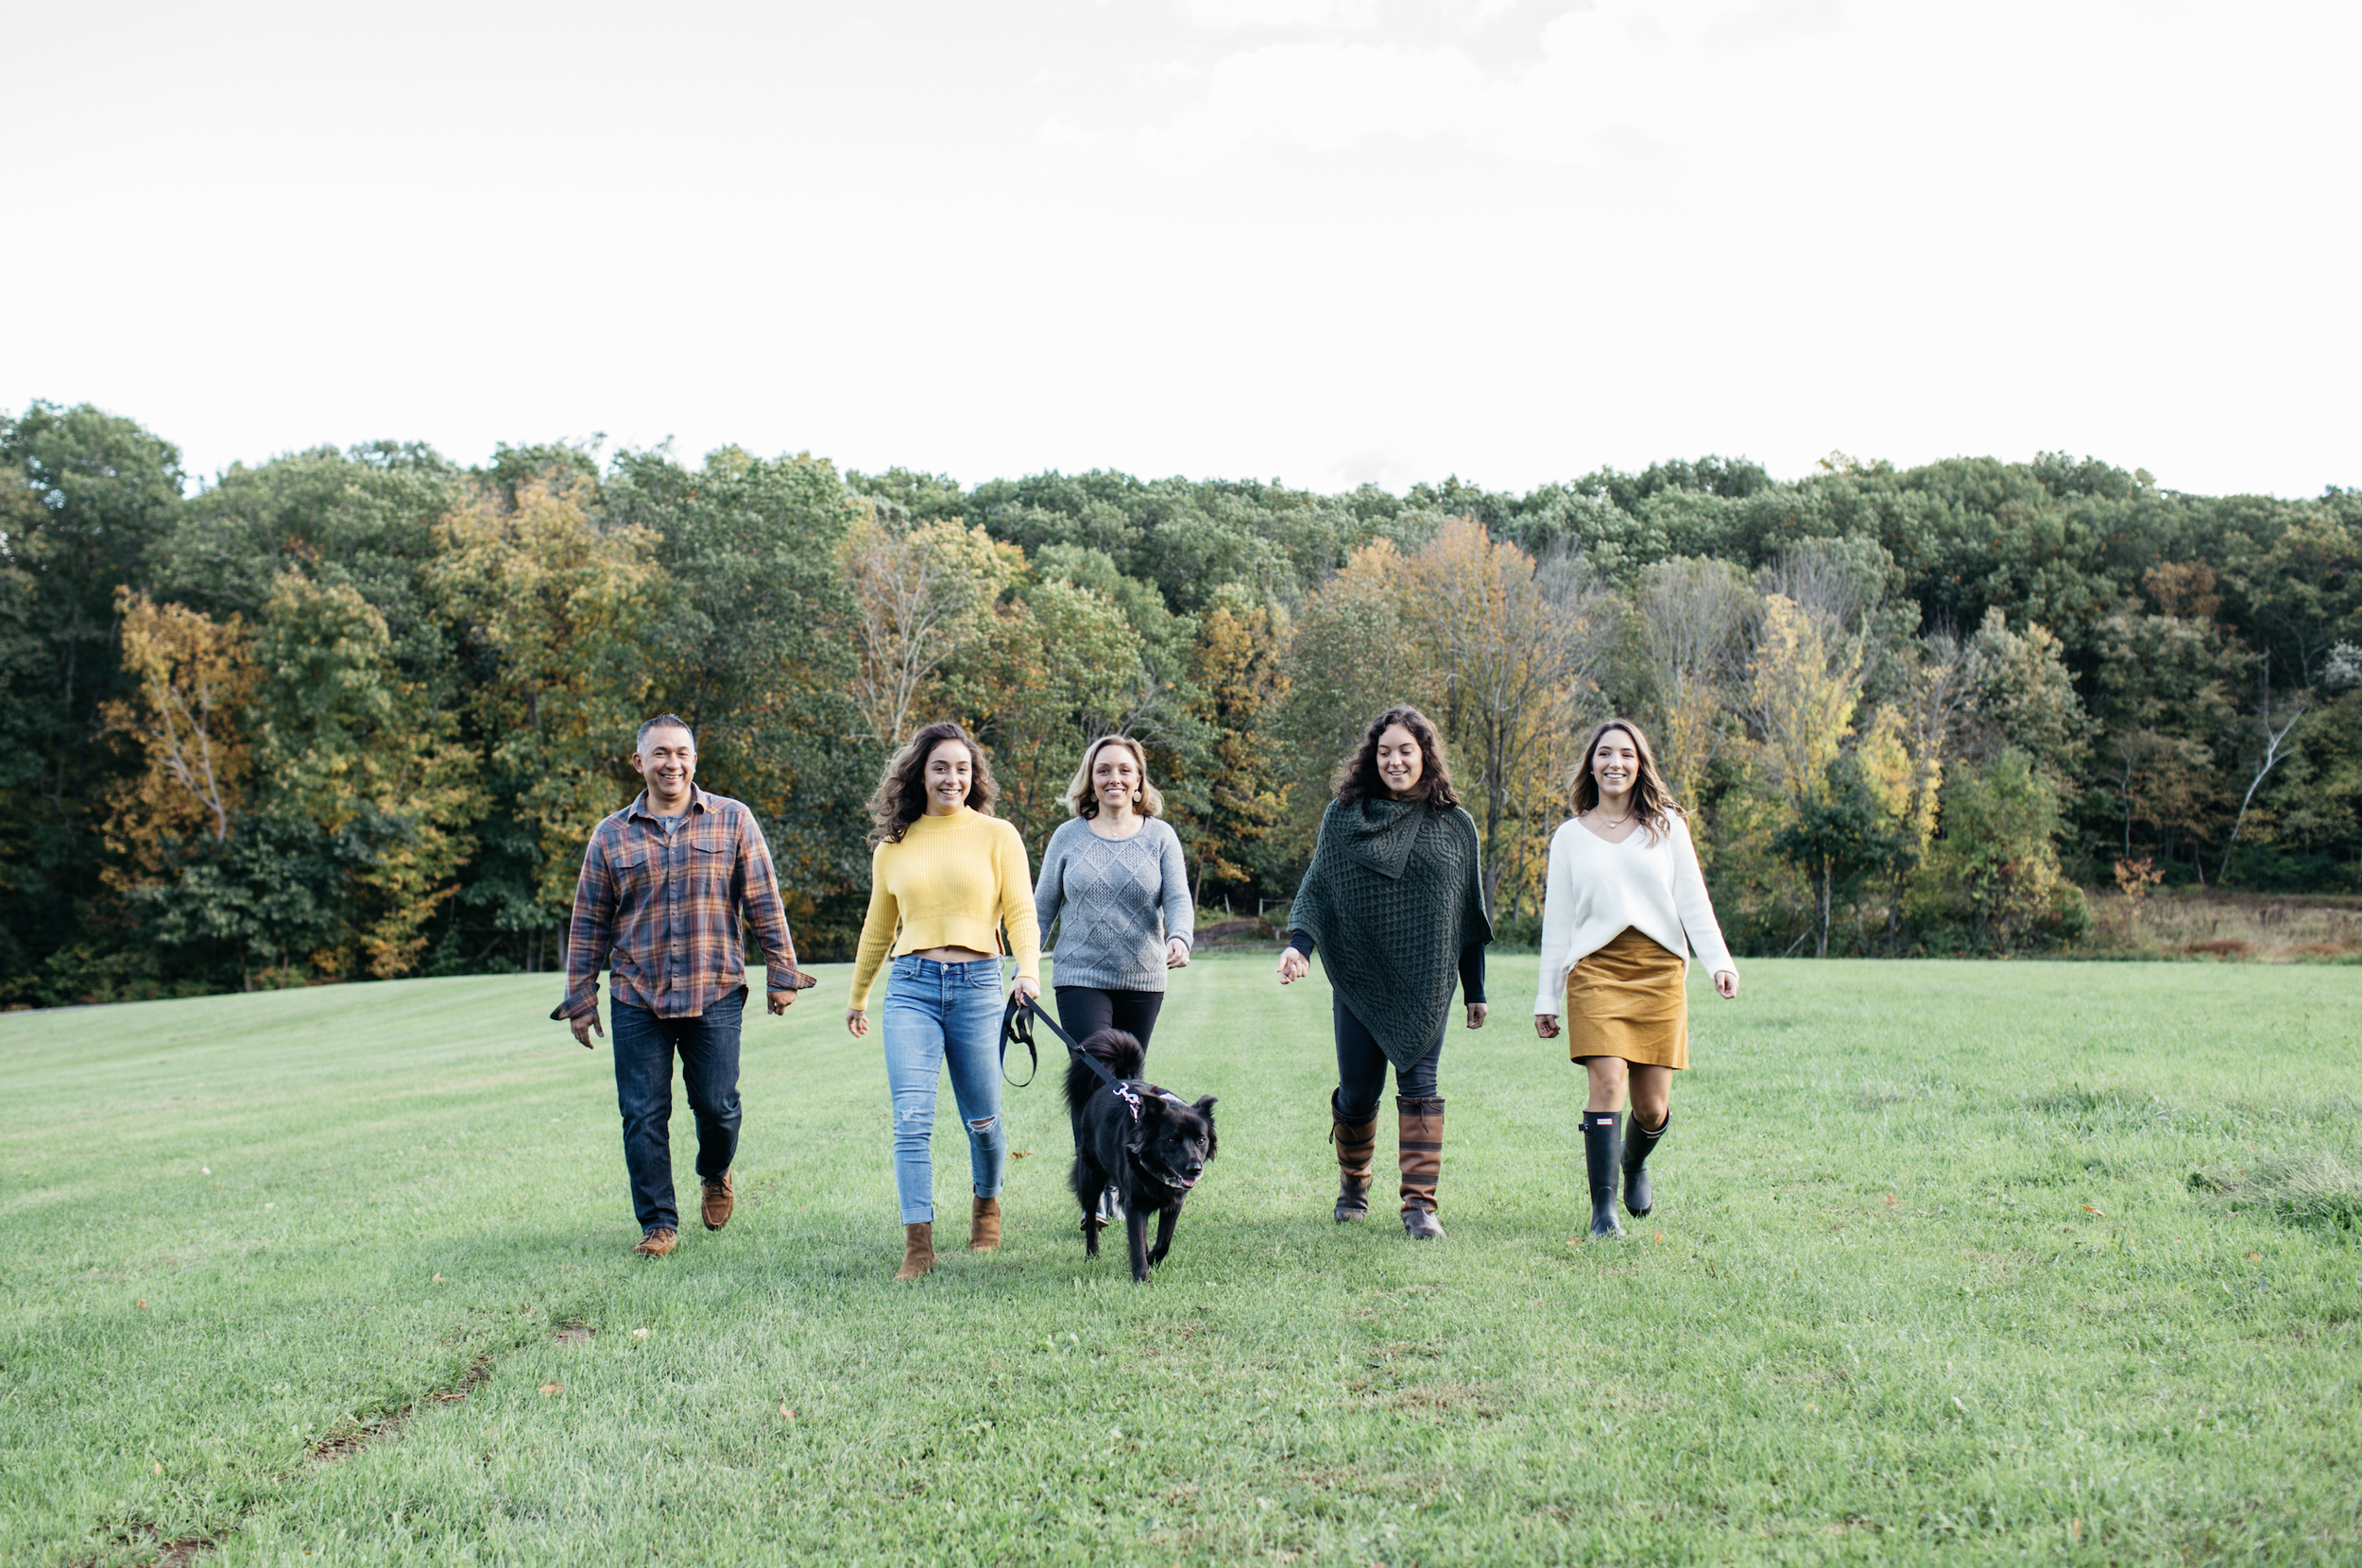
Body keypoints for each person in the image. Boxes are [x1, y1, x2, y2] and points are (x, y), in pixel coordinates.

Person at [552, 713, 806, 1259]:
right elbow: (589, 921)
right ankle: (659, 1223)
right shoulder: (610, 835)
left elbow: (763, 900)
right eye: (660, 754)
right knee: (642, 1112)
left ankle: (715, 1172)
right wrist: (581, 997)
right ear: (639, 762)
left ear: (695, 759)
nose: (673, 763)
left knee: (718, 1107)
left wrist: (781, 973)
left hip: (713, 989)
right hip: (635, 994)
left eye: (682, 753)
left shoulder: (732, 819)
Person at [1278, 705, 1491, 1239]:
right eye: (1385, 752)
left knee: (1421, 1086)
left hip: (1425, 982)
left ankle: (1420, 1207)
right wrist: (1300, 948)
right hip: (1360, 977)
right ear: (1372, 759)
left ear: (1425, 756)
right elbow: (1319, 889)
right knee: (1357, 1095)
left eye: (1406, 751)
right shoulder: (1343, 817)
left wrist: (1476, 990)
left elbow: (1465, 915)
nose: (1395, 761)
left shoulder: (1454, 826)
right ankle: (1354, 1182)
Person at [846, 721, 1042, 1282]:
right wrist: (859, 996)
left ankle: (986, 1203)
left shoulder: (998, 835)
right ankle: (918, 1245)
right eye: (940, 767)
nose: (952, 777)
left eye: (962, 767)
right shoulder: (894, 846)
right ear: (920, 774)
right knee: (910, 1119)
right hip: (910, 988)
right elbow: (878, 929)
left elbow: (1021, 912)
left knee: (982, 1119)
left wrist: (1027, 970)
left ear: (973, 775)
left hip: (980, 985)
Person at [1532, 717, 1738, 1241]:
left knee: (1651, 1107)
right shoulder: (1569, 838)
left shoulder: (1666, 826)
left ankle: (1633, 1162)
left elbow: (1693, 902)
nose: (1614, 763)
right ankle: (1604, 1214)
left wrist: (1719, 962)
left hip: (1659, 972)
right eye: (1604, 754)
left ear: (1640, 763)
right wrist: (1546, 997)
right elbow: (1557, 921)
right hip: (1595, 971)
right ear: (1591, 765)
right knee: (1607, 1084)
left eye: (1625, 754)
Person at [1034, 733, 1194, 1219]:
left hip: (1143, 976)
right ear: (1090, 779)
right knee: (1094, 1081)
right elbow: (1042, 906)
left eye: (1124, 770)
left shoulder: (1160, 835)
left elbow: (1178, 898)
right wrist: (1025, 966)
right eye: (1103, 770)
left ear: (1139, 779)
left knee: (1131, 1088)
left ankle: (1131, 1182)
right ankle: (1096, 1188)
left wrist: (1181, 937)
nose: (1114, 779)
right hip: (1080, 973)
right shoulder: (1068, 836)